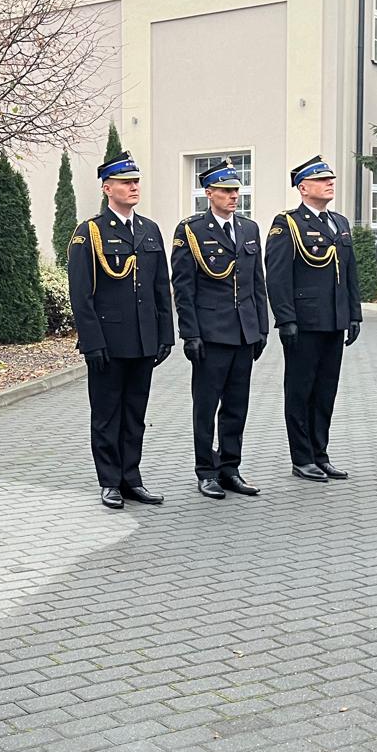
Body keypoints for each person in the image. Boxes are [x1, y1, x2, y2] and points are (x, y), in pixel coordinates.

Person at [66, 149, 174, 509]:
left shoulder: (149, 230)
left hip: (143, 340)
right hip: (109, 342)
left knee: (135, 415)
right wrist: (92, 341)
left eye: (136, 181)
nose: (133, 187)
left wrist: (165, 335)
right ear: (107, 188)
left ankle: (132, 478)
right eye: (126, 182)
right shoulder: (91, 232)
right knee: (107, 414)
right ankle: (110, 481)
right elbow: (81, 294)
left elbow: (160, 287)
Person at [170, 159, 268, 499]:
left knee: (236, 406)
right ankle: (205, 470)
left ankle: (230, 468)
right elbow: (184, 287)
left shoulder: (249, 229)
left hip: (243, 332)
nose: (233, 196)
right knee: (206, 406)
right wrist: (190, 334)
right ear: (209, 193)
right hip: (211, 333)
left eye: (236, 190)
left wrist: (261, 328)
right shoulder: (192, 230)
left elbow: (256, 282)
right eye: (226, 191)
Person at [265, 156, 362, 481]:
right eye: (321, 180)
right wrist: (286, 319)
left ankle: (321, 454)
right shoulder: (287, 224)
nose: (329, 183)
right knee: (300, 391)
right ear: (303, 188)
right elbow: (277, 276)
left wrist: (354, 314)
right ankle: (302, 457)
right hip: (304, 322)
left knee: (325, 392)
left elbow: (349, 272)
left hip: (334, 320)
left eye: (330, 179)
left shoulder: (340, 222)